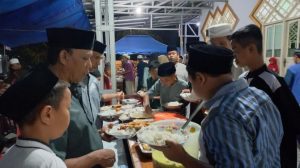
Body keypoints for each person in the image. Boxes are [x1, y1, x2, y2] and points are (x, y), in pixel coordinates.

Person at [156, 44, 283, 167]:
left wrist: (182, 158)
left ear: (200, 78)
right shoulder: (260, 95)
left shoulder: (221, 117)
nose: (191, 86)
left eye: (191, 81)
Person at [231, 24, 300, 168]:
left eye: (236, 51)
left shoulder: (273, 82)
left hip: (277, 155)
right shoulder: (243, 79)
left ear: (251, 49)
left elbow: (294, 120)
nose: (234, 56)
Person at [44, 28, 115, 168]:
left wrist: (94, 134)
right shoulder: (51, 97)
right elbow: (50, 164)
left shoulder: (68, 87)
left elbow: (72, 133)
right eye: (85, 58)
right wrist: (96, 157)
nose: (89, 66)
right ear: (64, 56)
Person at [0, 66, 70, 168]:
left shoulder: (8, 155)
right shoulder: (51, 164)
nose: (70, 113)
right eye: (68, 107)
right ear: (47, 114)